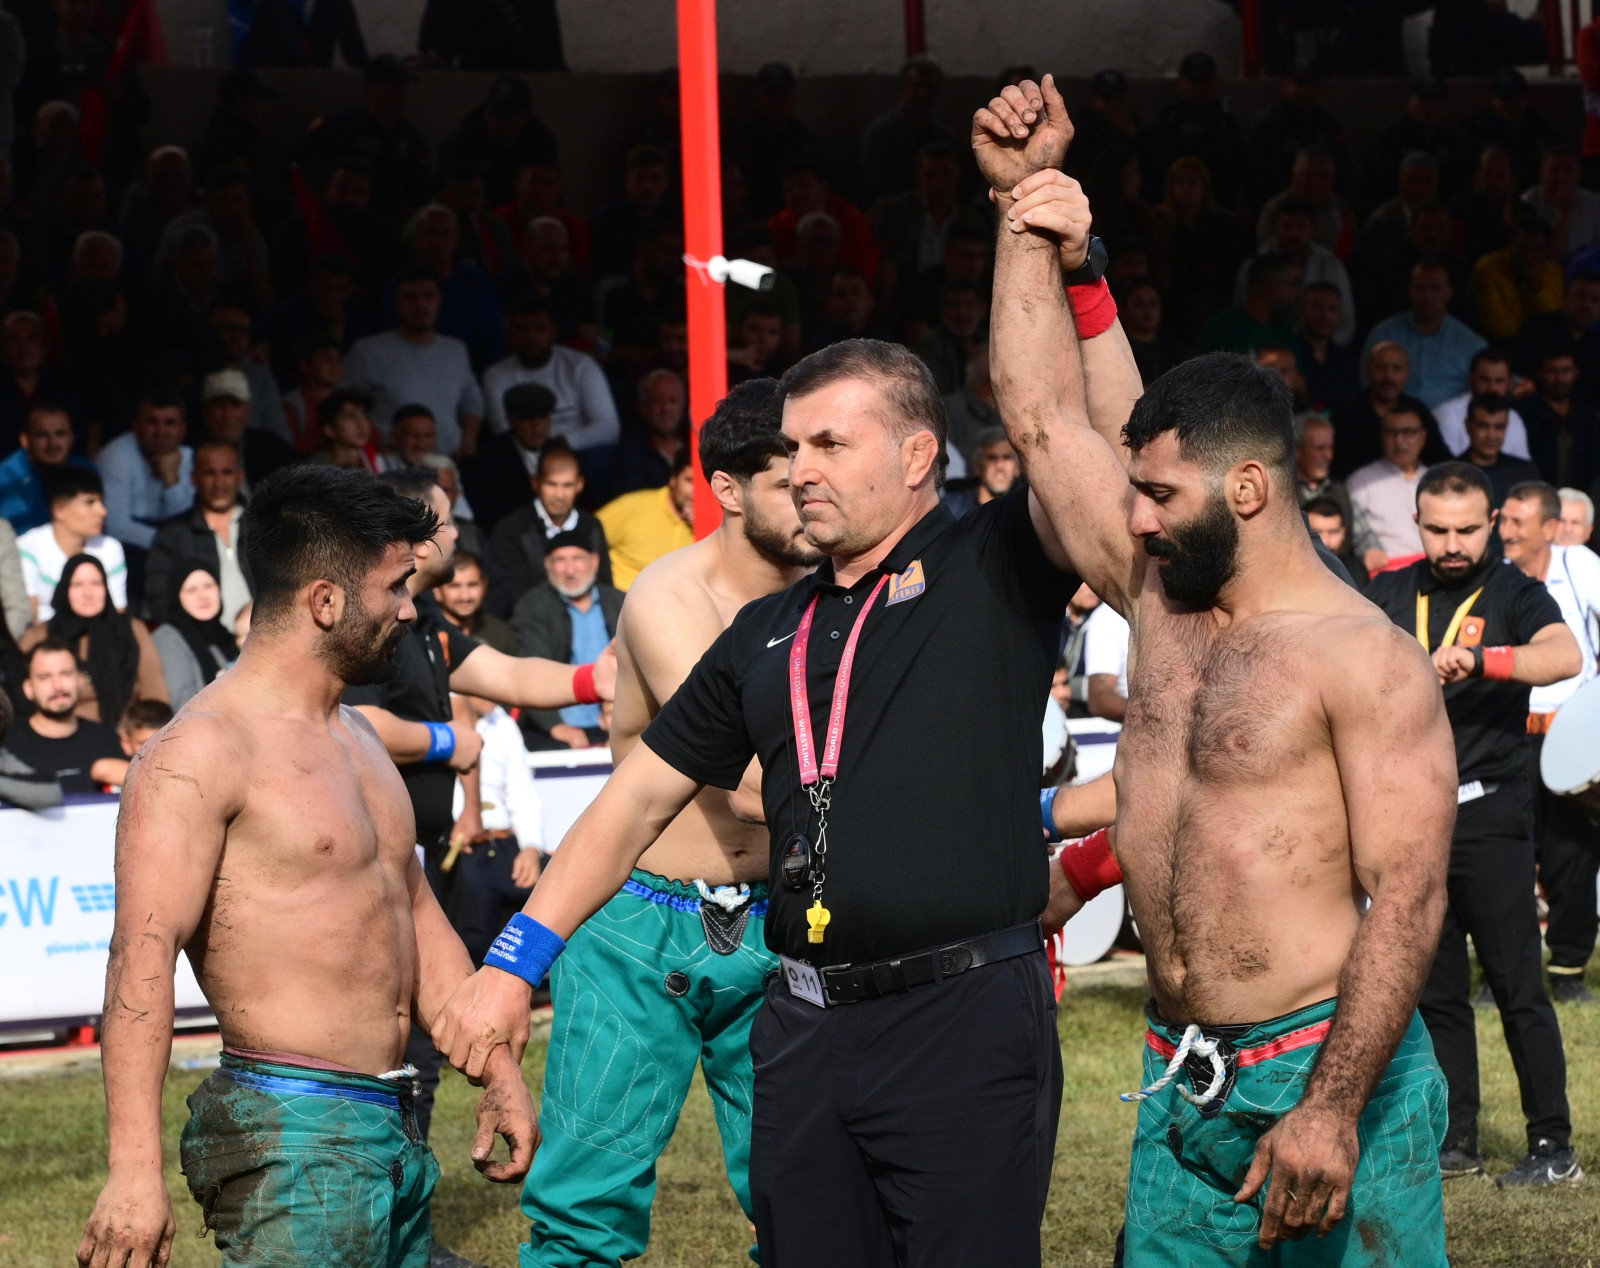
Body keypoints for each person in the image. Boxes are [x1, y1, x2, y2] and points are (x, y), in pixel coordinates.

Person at [980, 82, 1455, 1263]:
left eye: (1158, 495)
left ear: (1247, 489)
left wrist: (1331, 1108)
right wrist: (1025, 208)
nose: (1132, 517)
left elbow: (1407, 897)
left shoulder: (1364, 657)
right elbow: (1041, 417)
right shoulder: (1160, 597)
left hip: (1326, 1066)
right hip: (1179, 1070)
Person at [73, 465, 536, 1268]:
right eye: (395, 587)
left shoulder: (361, 736)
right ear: (325, 601)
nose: (411, 608)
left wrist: (497, 1067)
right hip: (291, 1133)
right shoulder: (199, 753)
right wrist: (133, 1172)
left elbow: (415, 917)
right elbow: (138, 960)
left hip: (391, 1119)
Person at [502, 377, 825, 1265]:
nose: (812, 498)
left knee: (811, 1201)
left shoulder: (837, 594)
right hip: (641, 923)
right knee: (583, 1215)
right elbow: (741, 771)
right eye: (788, 483)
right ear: (726, 489)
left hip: (785, 915)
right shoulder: (667, 597)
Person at [341, 466, 617, 1141]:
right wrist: (448, 739)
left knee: (423, 1035)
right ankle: (388, 1189)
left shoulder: (426, 620)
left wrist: (593, 679)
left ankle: (407, 1191)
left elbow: (508, 673)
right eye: (445, 520)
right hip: (374, 863)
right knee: (390, 1042)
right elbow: (354, 721)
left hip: (420, 861)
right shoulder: (369, 617)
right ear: (412, 533)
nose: (458, 534)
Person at [1365, 463, 1583, 1186]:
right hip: (1411, 812)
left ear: (1492, 523)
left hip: (1489, 808)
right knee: (1436, 988)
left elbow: (1564, 655)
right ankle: (1455, 1139)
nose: (1452, 544)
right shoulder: (1391, 590)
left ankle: (1552, 1145)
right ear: (1417, 524)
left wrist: (1484, 659)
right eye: (1438, 529)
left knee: (1518, 983)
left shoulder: (1515, 591)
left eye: (1466, 529)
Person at [1498, 482, 1600, 1003]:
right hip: (1507, 729)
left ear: (1551, 528)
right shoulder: (1494, 573)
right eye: (1504, 521)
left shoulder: (1579, 565)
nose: (1507, 532)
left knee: (1573, 854)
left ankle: (1568, 969)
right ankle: (1502, 973)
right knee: (1506, 853)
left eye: (1518, 523)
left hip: (1572, 732)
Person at [342, 268, 485, 455]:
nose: (420, 304)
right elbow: (344, 403)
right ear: (397, 302)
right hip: (391, 462)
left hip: (449, 462)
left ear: (439, 301)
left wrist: (469, 441)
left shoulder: (456, 350)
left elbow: (472, 402)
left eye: (428, 296)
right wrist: (376, 441)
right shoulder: (367, 351)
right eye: (410, 297)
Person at [510, 531, 625, 751]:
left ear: (595, 561)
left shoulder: (620, 602)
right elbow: (531, 670)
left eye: (578, 558)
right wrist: (556, 726)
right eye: (560, 560)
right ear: (547, 564)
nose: (570, 570)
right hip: (562, 728)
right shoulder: (532, 607)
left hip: (620, 721)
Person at [35, 554, 166, 727]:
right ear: (65, 589)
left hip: (127, 732)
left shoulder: (131, 630)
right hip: (65, 731)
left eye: (96, 583)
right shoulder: (44, 635)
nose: (88, 593)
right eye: (78, 585)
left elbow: (155, 693)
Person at [486, 443, 612, 616]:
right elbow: (511, 597)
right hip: (532, 623)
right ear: (535, 483)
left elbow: (604, 586)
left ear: (580, 485)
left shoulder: (592, 526)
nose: (559, 495)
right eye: (551, 484)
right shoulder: (511, 530)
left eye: (567, 485)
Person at [482, 296, 619, 451]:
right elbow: (505, 434)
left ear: (554, 332)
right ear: (510, 333)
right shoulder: (495, 375)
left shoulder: (581, 365)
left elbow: (609, 428)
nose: (531, 336)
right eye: (522, 329)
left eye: (540, 328)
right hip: (525, 456)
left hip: (579, 451)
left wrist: (559, 445)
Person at [145, 439, 253, 630]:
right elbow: (159, 600)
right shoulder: (173, 535)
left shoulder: (266, 526)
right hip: (205, 644)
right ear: (194, 479)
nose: (219, 482)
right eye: (209, 473)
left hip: (268, 640)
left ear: (240, 476)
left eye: (227, 472)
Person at [1361, 260, 1487, 408]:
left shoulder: (1471, 344)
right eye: (1420, 288)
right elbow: (1365, 383)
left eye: (1435, 289)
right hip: (1391, 418)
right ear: (1410, 291)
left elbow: (1489, 387)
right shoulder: (1383, 334)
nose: (1427, 295)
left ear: (1449, 293)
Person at [6, 639, 127, 792]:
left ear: (80, 680)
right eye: (45, 677)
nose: (57, 686)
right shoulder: (7, 745)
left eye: (66, 674)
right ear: (28, 688)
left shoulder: (106, 739)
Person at [1234, 198, 1355, 346]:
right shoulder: (1253, 266)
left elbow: (1346, 322)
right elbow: (1243, 313)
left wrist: (1317, 349)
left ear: (1313, 231)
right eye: (1287, 226)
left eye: (1301, 227)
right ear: (1275, 228)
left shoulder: (1332, 266)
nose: (1293, 234)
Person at [17, 466, 127, 622]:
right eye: (90, 502)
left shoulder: (111, 549)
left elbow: (117, 613)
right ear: (59, 510)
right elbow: (28, 617)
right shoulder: (27, 547)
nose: (102, 511)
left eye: (101, 502)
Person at [94, 391, 194, 553]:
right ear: (136, 426)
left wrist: (171, 480)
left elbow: (187, 524)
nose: (161, 431)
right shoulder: (116, 456)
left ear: (183, 430)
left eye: (169, 423)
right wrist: (170, 543)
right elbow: (116, 527)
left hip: (172, 545)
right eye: (152, 422)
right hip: (128, 549)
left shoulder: (193, 459)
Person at [1295, 415, 1385, 574]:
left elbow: (1363, 536)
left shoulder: (1341, 490)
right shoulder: (1283, 492)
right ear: (1297, 451)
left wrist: (1372, 551)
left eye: (1330, 448)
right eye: (1320, 448)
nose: (1328, 456)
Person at [595, 451, 695, 590]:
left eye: (704, 484)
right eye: (690, 481)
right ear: (673, 479)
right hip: (621, 599)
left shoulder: (717, 524)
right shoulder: (633, 507)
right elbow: (583, 538)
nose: (695, 492)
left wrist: (703, 527)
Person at [1348, 403, 1434, 561]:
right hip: (1387, 571)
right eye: (1391, 433)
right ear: (1381, 437)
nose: (1399, 440)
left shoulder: (1437, 479)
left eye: (1408, 432)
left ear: (1423, 438)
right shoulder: (1361, 482)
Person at [196, 369, 299, 492]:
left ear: (248, 408)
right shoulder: (190, 453)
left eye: (235, 405)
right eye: (219, 406)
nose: (227, 415)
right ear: (205, 411)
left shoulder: (274, 450)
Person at [150, 566, 239, 710]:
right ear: (176, 596)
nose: (202, 595)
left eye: (208, 586)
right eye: (191, 590)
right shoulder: (168, 639)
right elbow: (183, 704)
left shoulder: (226, 634)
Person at [0, 404, 96, 535]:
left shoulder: (85, 470)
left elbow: (95, 526)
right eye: (42, 435)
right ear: (25, 440)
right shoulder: (7, 477)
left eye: (60, 434)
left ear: (71, 438)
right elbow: (20, 533)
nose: (52, 443)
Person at [1470, 215, 1563, 342]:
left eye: (1538, 249)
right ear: (1512, 243)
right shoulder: (1488, 268)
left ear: (1547, 251)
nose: (1529, 255)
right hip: (1496, 344)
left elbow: (1552, 320)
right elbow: (1499, 328)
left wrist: (1535, 286)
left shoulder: (1552, 272)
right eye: (1523, 246)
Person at [1521, 345, 1600, 492]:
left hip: (1582, 498)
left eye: (1566, 371)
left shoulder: (1588, 416)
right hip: (1536, 496)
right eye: (1552, 371)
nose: (1559, 378)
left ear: (1576, 372)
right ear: (1539, 373)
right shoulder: (1525, 414)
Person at [1433, 348, 1533, 461]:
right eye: (1485, 380)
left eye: (1499, 381)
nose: (1492, 388)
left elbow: (1521, 466)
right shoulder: (1448, 415)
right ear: (1471, 379)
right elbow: (1449, 467)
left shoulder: (1514, 417)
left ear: (1510, 384)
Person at [604, 369, 688, 499]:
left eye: (673, 400)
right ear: (643, 407)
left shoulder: (697, 441)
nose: (666, 408)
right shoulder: (628, 455)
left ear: (683, 406)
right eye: (657, 401)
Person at [1460, 393, 1541, 506]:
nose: (1491, 436)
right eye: (1483, 426)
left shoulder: (1526, 473)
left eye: (1499, 427)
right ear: (1468, 426)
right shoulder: (1450, 474)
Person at [433, 549, 517, 656]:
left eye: (472, 585)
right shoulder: (428, 633)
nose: (465, 596)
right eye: (454, 586)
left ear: (485, 586)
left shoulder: (501, 634)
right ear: (437, 591)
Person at [942, 425, 1018, 519]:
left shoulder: (1028, 509)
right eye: (992, 458)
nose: (999, 466)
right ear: (977, 467)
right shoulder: (951, 508)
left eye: (1006, 457)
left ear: (1018, 468)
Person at [1304, 496, 1369, 585]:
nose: (1326, 541)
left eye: (1333, 532)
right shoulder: (1289, 571)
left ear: (1343, 534)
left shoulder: (1354, 571)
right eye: (1317, 532)